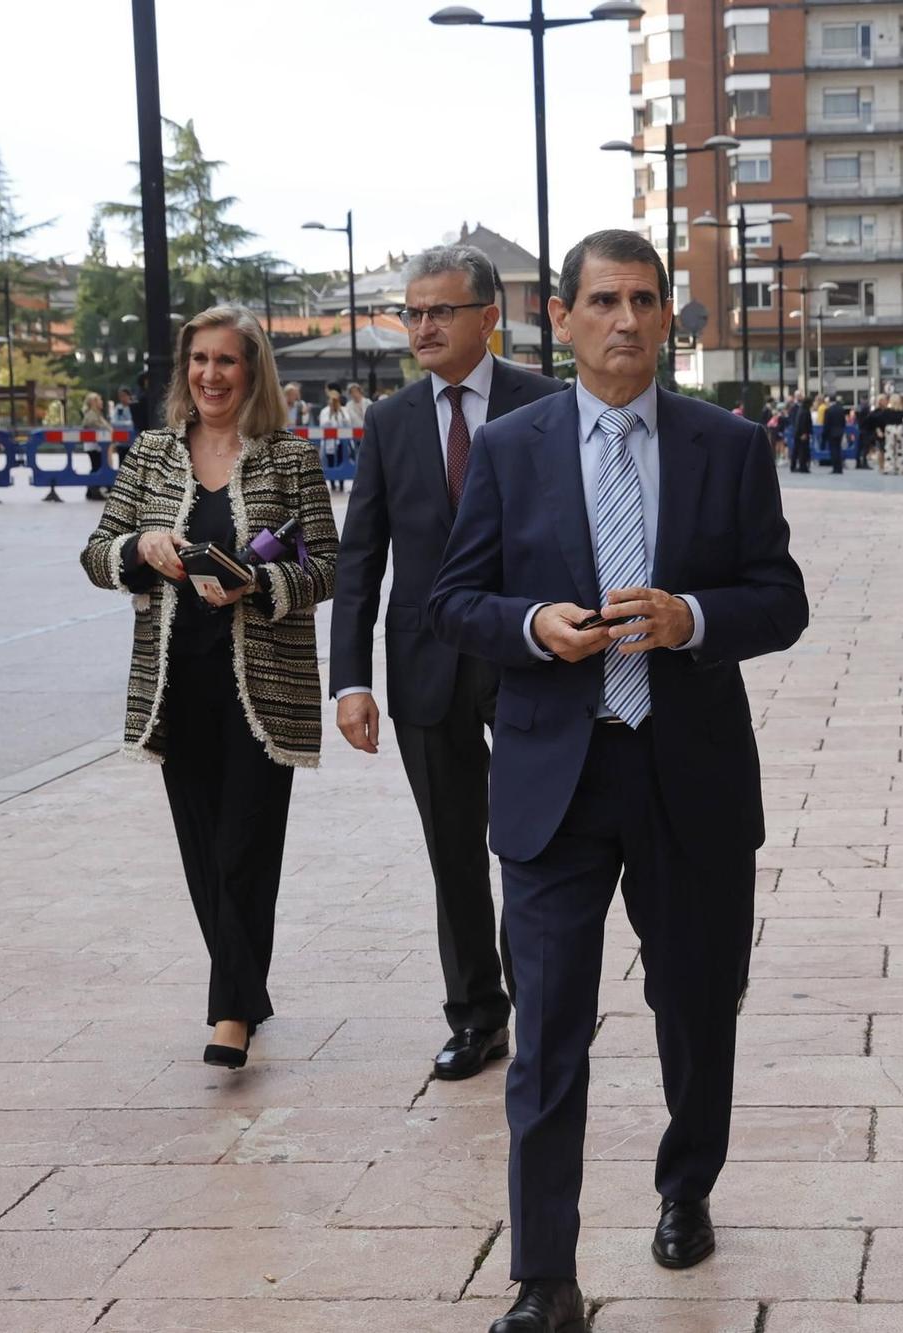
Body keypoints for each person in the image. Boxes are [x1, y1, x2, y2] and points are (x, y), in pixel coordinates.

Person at [429, 229, 807, 1333]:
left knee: (695, 1004)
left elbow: (778, 599)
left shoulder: (726, 446)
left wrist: (693, 617)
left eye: (644, 301)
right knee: (546, 1026)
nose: (626, 322)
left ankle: (686, 1183)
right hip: (557, 775)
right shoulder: (510, 448)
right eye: (602, 301)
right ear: (562, 316)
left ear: (666, 319)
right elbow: (452, 603)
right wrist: (532, 626)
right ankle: (543, 1273)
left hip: (688, 775)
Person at [79, 305, 339, 1070]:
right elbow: (96, 554)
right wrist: (140, 545)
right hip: (175, 684)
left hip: (265, 690)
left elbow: (326, 565)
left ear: (253, 371)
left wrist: (255, 583)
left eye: (228, 361)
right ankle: (245, 992)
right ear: (184, 370)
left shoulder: (289, 458)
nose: (212, 375)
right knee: (203, 850)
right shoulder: (153, 454)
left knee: (246, 847)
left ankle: (229, 1010)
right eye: (200, 360)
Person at [330, 244, 566, 1083]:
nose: (422, 326)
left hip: (528, 659)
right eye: (412, 311)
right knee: (453, 851)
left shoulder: (548, 404)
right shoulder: (391, 421)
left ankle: (540, 1008)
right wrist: (351, 679)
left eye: (440, 311)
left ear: (488, 317)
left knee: (530, 844)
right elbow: (361, 559)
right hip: (425, 665)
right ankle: (475, 1015)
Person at [81, 390, 110, 501]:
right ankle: (93, 490)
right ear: (94, 402)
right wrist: (107, 429)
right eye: (99, 400)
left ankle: (91, 490)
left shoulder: (96, 413)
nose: (102, 402)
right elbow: (94, 425)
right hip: (93, 445)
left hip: (96, 445)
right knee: (96, 467)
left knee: (96, 466)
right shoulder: (91, 415)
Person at [785, 389, 813, 473]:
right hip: (802, 433)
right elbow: (804, 423)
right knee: (802, 450)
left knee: (796, 450)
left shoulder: (801, 409)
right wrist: (804, 433)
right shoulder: (805, 410)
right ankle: (802, 466)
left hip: (797, 433)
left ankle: (794, 466)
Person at [823, 396, 847, 475]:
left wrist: (825, 434)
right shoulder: (841, 409)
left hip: (831, 432)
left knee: (833, 451)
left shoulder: (828, 410)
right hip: (840, 432)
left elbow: (826, 423)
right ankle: (839, 468)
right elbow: (844, 422)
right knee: (838, 449)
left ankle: (835, 468)